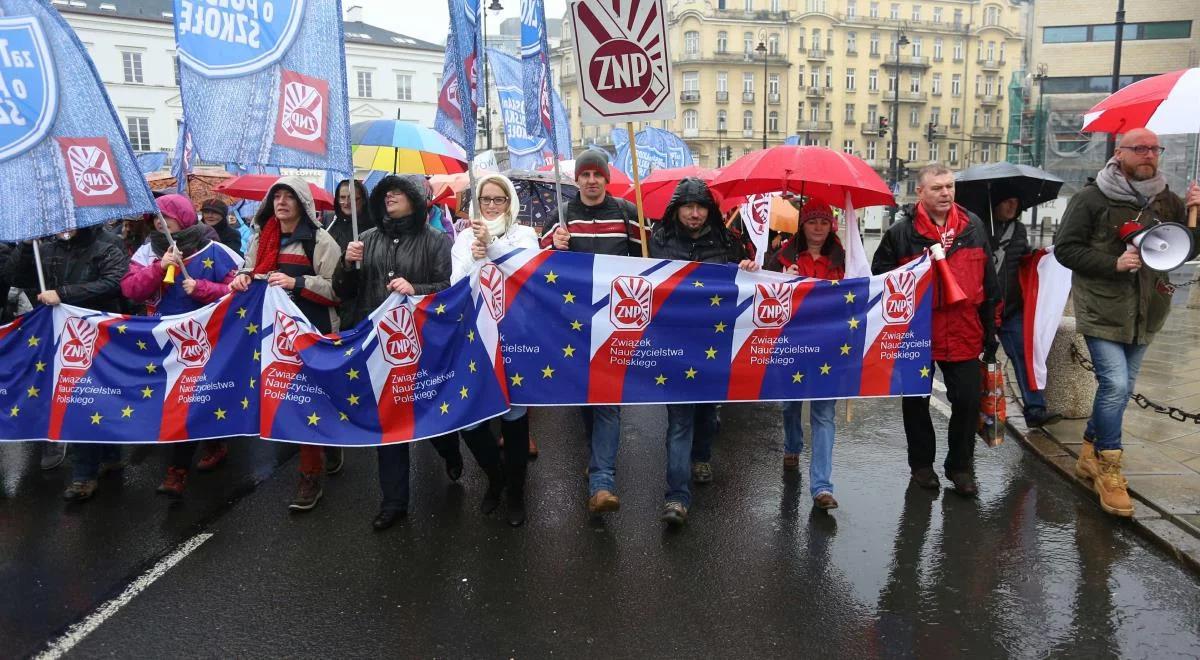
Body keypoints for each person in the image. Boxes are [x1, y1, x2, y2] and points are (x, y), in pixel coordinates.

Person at [1054, 128, 1200, 517]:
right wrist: (1112, 263)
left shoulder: (1167, 199)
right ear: (1119, 153)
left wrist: (1195, 217)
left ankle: (1087, 452)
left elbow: (1183, 251)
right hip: (1103, 309)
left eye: (1155, 148)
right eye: (1140, 148)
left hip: (1149, 310)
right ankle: (1109, 467)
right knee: (1116, 386)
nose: (1149, 154)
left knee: (1119, 388)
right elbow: (1065, 248)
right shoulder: (1091, 198)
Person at [334, 174, 464, 531]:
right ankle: (394, 502)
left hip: (420, 344)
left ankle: (448, 448)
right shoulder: (365, 240)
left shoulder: (436, 241)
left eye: (399, 191)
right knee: (388, 423)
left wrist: (415, 288)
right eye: (386, 192)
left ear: (415, 199)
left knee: (427, 413)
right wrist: (347, 264)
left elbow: (444, 289)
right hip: (377, 347)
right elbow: (342, 292)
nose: (390, 196)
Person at [872, 164, 999, 497]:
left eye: (950, 186)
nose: (946, 193)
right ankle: (922, 466)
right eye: (937, 188)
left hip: (964, 330)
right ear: (921, 193)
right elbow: (880, 281)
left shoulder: (973, 227)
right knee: (916, 402)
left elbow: (990, 282)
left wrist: (991, 330)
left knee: (968, 401)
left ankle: (960, 467)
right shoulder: (901, 234)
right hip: (918, 332)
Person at [649, 177, 757, 525]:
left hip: (714, 341)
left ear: (709, 211)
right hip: (675, 343)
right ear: (676, 209)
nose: (694, 213)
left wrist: (747, 268)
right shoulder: (659, 242)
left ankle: (702, 456)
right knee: (679, 420)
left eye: (700, 207)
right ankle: (677, 497)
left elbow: (744, 284)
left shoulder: (728, 242)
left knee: (708, 412)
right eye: (688, 206)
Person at [230, 176, 342, 511]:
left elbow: (337, 290)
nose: (281, 202)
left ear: (302, 204)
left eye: (288, 197)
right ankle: (320, 452)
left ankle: (311, 475)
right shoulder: (261, 239)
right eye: (276, 196)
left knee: (309, 401)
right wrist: (242, 278)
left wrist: (296, 281)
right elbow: (249, 271)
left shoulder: (321, 241)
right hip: (272, 334)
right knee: (289, 399)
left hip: (312, 330)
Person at [540, 148, 642, 515]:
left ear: (606, 179)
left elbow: (649, 260)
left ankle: (602, 481)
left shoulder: (628, 214)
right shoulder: (562, 216)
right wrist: (553, 246)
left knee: (608, 400)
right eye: (586, 175)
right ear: (577, 179)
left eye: (598, 174)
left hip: (616, 322)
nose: (592, 180)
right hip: (575, 324)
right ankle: (596, 451)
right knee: (587, 397)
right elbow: (538, 265)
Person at [122, 194, 244, 498]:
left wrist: (201, 288)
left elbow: (238, 291)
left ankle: (180, 468)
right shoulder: (148, 251)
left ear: (184, 217)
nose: (160, 223)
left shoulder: (214, 250)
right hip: (162, 341)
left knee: (194, 399)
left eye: (167, 217)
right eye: (157, 218)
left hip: (203, 341)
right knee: (176, 402)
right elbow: (130, 290)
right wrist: (157, 269)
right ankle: (197, 452)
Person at [6, 226, 130, 501]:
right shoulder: (47, 246)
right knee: (77, 397)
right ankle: (93, 467)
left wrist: (64, 293)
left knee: (92, 398)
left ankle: (94, 466)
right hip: (57, 333)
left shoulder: (108, 243)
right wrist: (27, 247)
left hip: (98, 332)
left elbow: (114, 281)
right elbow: (16, 276)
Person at [450, 173, 540, 527]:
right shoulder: (462, 239)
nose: (490, 206)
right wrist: (474, 257)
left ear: (509, 202)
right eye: (484, 199)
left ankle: (516, 490)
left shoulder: (524, 235)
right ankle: (494, 478)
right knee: (471, 423)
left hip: (514, 338)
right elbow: (457, 285)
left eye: (497, 199)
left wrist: (495, 248)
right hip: (475, 339)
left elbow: (528, 273)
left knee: (514, 421)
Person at [767, 199, 844, 510]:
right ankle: (792, 444)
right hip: (792, 342)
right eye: (812, 222)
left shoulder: (844, 259)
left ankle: (822, 487)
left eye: (823, 222)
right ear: (803, 225)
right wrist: (782, 275)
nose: (818, 228)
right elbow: (763, 291)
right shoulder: (783, 256)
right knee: (790, 404)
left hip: (829, 344)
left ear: (831, 226)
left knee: (824, 414)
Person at [984, 195, 1060, 428]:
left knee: (1023, 355)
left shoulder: (1017, 230)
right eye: (1007, 201)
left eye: (1016, 202)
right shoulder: (977, 226)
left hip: (1011, 308)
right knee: (977, 363)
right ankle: (975, 410)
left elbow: (1021, 259)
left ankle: (1035, 409)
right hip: (982, 308)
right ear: (993, 202)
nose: (1012, 205)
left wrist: (1040, 256)